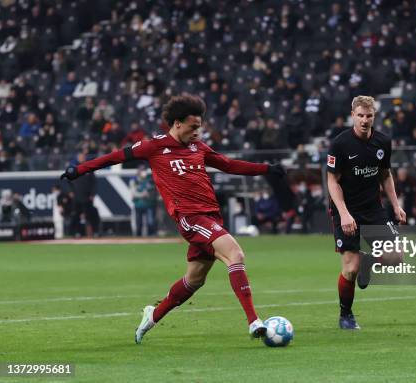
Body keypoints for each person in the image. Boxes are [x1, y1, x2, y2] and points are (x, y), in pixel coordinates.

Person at [60, 94, 285, 343]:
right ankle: (254, 321)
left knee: (195, 280)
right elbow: (114, 157)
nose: (198, 132)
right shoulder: (153, 147)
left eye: (199, 127)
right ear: (177, 124)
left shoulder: (198, 147)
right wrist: (78, 170)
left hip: (211, 217)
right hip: (190, 217)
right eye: (193, 127)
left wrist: (266, 169)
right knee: (236, 254)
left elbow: (229, 165)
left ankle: (152, 315)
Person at [327, 95, 406, 330]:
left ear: (374, 116)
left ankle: (369, 262)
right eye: (360, 115)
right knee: (350, 268)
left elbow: (385, 175)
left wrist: (396, 205)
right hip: (346, 210)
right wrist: (343, 213)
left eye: (368, 116)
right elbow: (332, 181)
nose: (364, 120)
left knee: (396, 258)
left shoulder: (383, 142)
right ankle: (346, 315)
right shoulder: (340, 144)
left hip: (373, 209)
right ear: (353, 115)